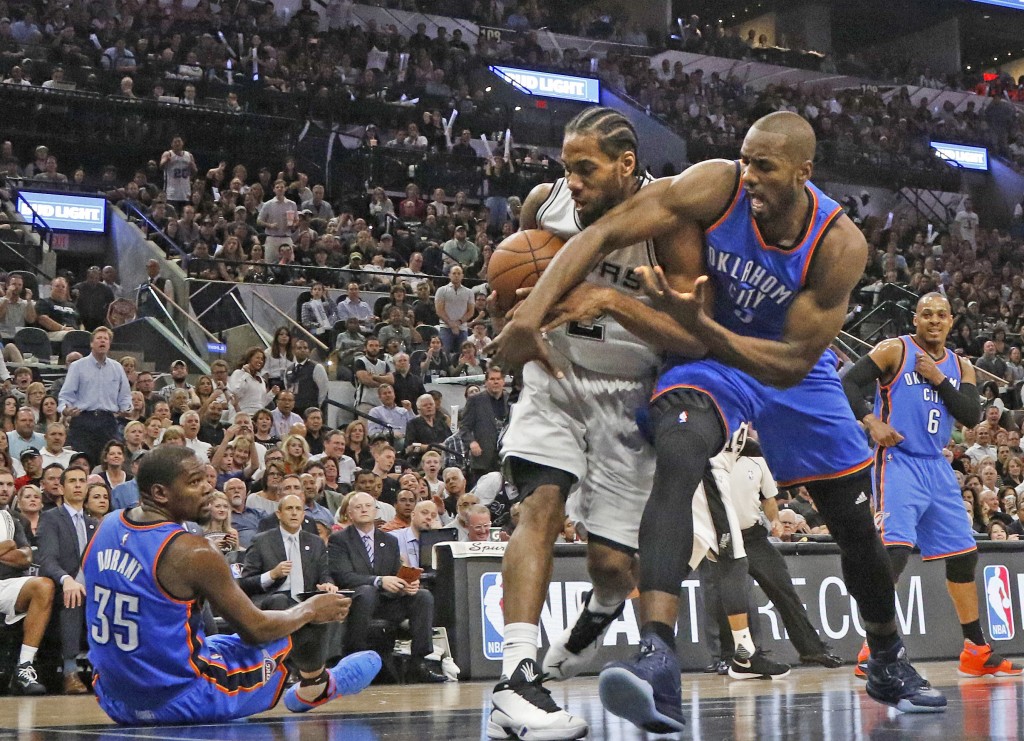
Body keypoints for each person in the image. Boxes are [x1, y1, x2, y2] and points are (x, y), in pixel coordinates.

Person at [491, 110, 946, 728]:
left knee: (850, 517)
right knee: (680, 451)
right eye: (745, 159)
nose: (748, 174)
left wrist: (703, 329)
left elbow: (789, 363)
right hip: (711, 361)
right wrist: (528, 316)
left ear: (802, 173)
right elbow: (597, 235)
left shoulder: (839, 245)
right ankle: (657, 657)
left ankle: (888, 656)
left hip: (786, 367)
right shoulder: (717, 184)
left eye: (764, 166)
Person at [488, 107, 780, 740]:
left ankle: (597, 613)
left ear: (626, 164)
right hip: (556, 378)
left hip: (629, 396)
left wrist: (612, 299)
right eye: (567, 167)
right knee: (538, 507)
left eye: (586, 169)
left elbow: (694, 339)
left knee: (613, 568)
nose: (574, 182)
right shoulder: (547, 204)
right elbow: (516, 281)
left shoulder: (670, 226)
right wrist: (515, 311)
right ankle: (516, 678)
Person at [82, 445, 381, 724]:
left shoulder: (106, 525)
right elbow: (256, 630)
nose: (208, 488)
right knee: (299, 616)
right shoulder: (193, 551)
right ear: (160, 492)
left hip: (112, 696)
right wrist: (311, 609)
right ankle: (316, 686)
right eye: (195, 481)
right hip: (178, 699)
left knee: (212, 640)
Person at [842, 292, 1022, 678]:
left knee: (964, 555)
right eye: (927, 315)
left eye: (942, 315)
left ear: (951, 321)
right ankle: (874, 647)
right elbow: (847, 383)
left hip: (936, 465)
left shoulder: (961, 365)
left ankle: (975, 649)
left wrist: (938, 378)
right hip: (899, 460)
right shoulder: (894, 349)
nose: (935, 321)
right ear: (916, 321)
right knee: (894, 551)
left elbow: (971, 414)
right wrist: (871, 421)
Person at [327, 491, 446, 683]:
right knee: (367, 592)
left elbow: (395, 572)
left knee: (423, 596)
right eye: (358, 507)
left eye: (368, 506)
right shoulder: (339, 540)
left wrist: (406, 584)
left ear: (376, 511)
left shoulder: (390, 540)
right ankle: (354, 658)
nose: (364, 509)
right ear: (349, 513)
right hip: (358, 602)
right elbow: (343, 576)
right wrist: (379, 580)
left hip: (388, 602)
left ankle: (419, 663)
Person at [36, 466, 98, 694]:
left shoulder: (94, 523)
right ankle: (70, 672)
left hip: (92, 589)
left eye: (82, 481)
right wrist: (66, 579)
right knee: (74, 597)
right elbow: (47, 560)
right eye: (72, 481)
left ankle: (114, 669)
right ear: (62, 488)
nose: (79, 485)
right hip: (63, 588)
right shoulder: (51, 519)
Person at [0, 470, 54, 696]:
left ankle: (24, 666)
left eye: (9, 484)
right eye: (0, 484)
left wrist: (12, 546)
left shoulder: (13, 518)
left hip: (4, 584)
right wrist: (7, 546)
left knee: (44, 586)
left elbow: (25, 558)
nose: (5, 489)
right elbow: (15, 551)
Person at [57, 327, 133, 467]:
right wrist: (65, 410)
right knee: (82, 464)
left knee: (108, 463)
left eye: (106, 339)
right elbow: (66, 395)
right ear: (92, 343)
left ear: (109, 344)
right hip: (83, 421)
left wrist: (126, 408)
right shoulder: (77, 366)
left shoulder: (117, 368)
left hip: (107, 422)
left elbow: (125, 395)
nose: (102, 341)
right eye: (99, 338)